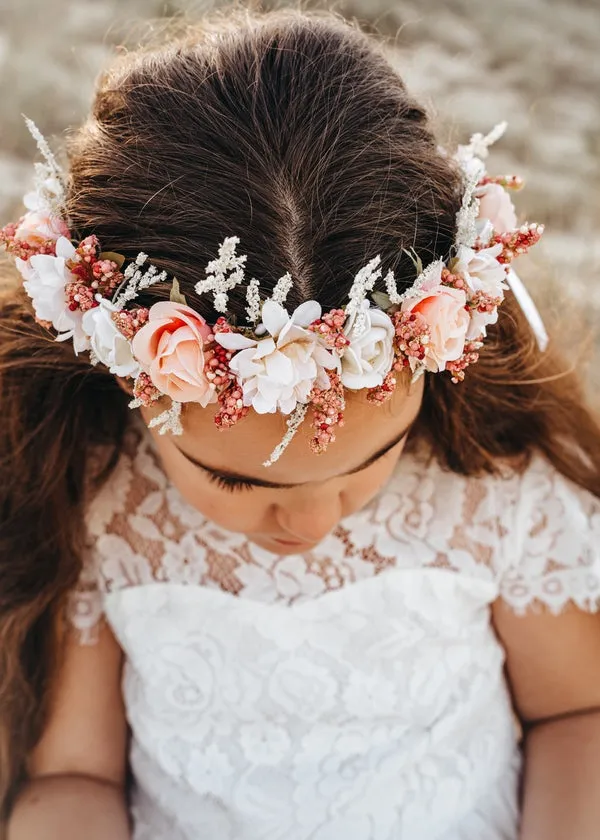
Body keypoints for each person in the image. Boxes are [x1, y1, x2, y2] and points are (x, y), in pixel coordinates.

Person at [1, 7, 599, 840]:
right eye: (238, 479)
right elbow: (73, 773)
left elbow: (577, 716)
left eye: (374, 458)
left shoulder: (493, 486)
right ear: (125, 372)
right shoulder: (102, 504)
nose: (313, 520)